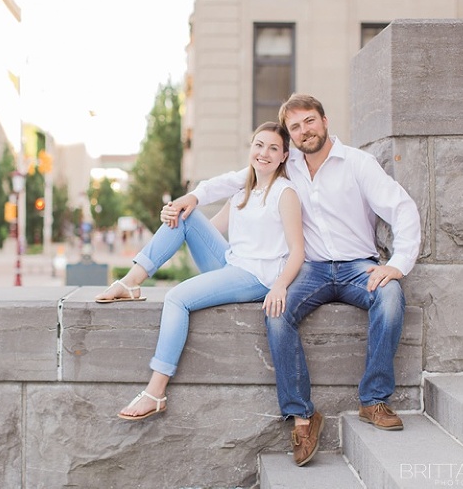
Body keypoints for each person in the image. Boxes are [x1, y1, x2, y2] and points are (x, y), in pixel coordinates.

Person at [163, 93, 421, 467]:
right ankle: (302, 417)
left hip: (356, 266)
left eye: (309, 122)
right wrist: (193, 196)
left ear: (325, 120)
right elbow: (238, 178)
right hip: (310, 269)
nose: (304, 131)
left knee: (392, 296)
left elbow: (402, 208)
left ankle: (374, 400)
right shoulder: (288, 166)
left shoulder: (357, 164)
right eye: (295, 127)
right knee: (276, 312)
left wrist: (397, 264)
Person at [94, 122, 306, 423]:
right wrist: (173, 215)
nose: (264, 153)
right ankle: (131, 282)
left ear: (284, 156)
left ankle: (156, 392)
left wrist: (281, 286)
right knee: (184, 216)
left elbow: (298, 249)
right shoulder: (245, 188)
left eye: (273, 148)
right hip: (233, 263)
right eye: (259, 145)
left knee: (177, 298)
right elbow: (210, 229)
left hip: (257, 277)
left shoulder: (285, 193)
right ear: (251, 148)